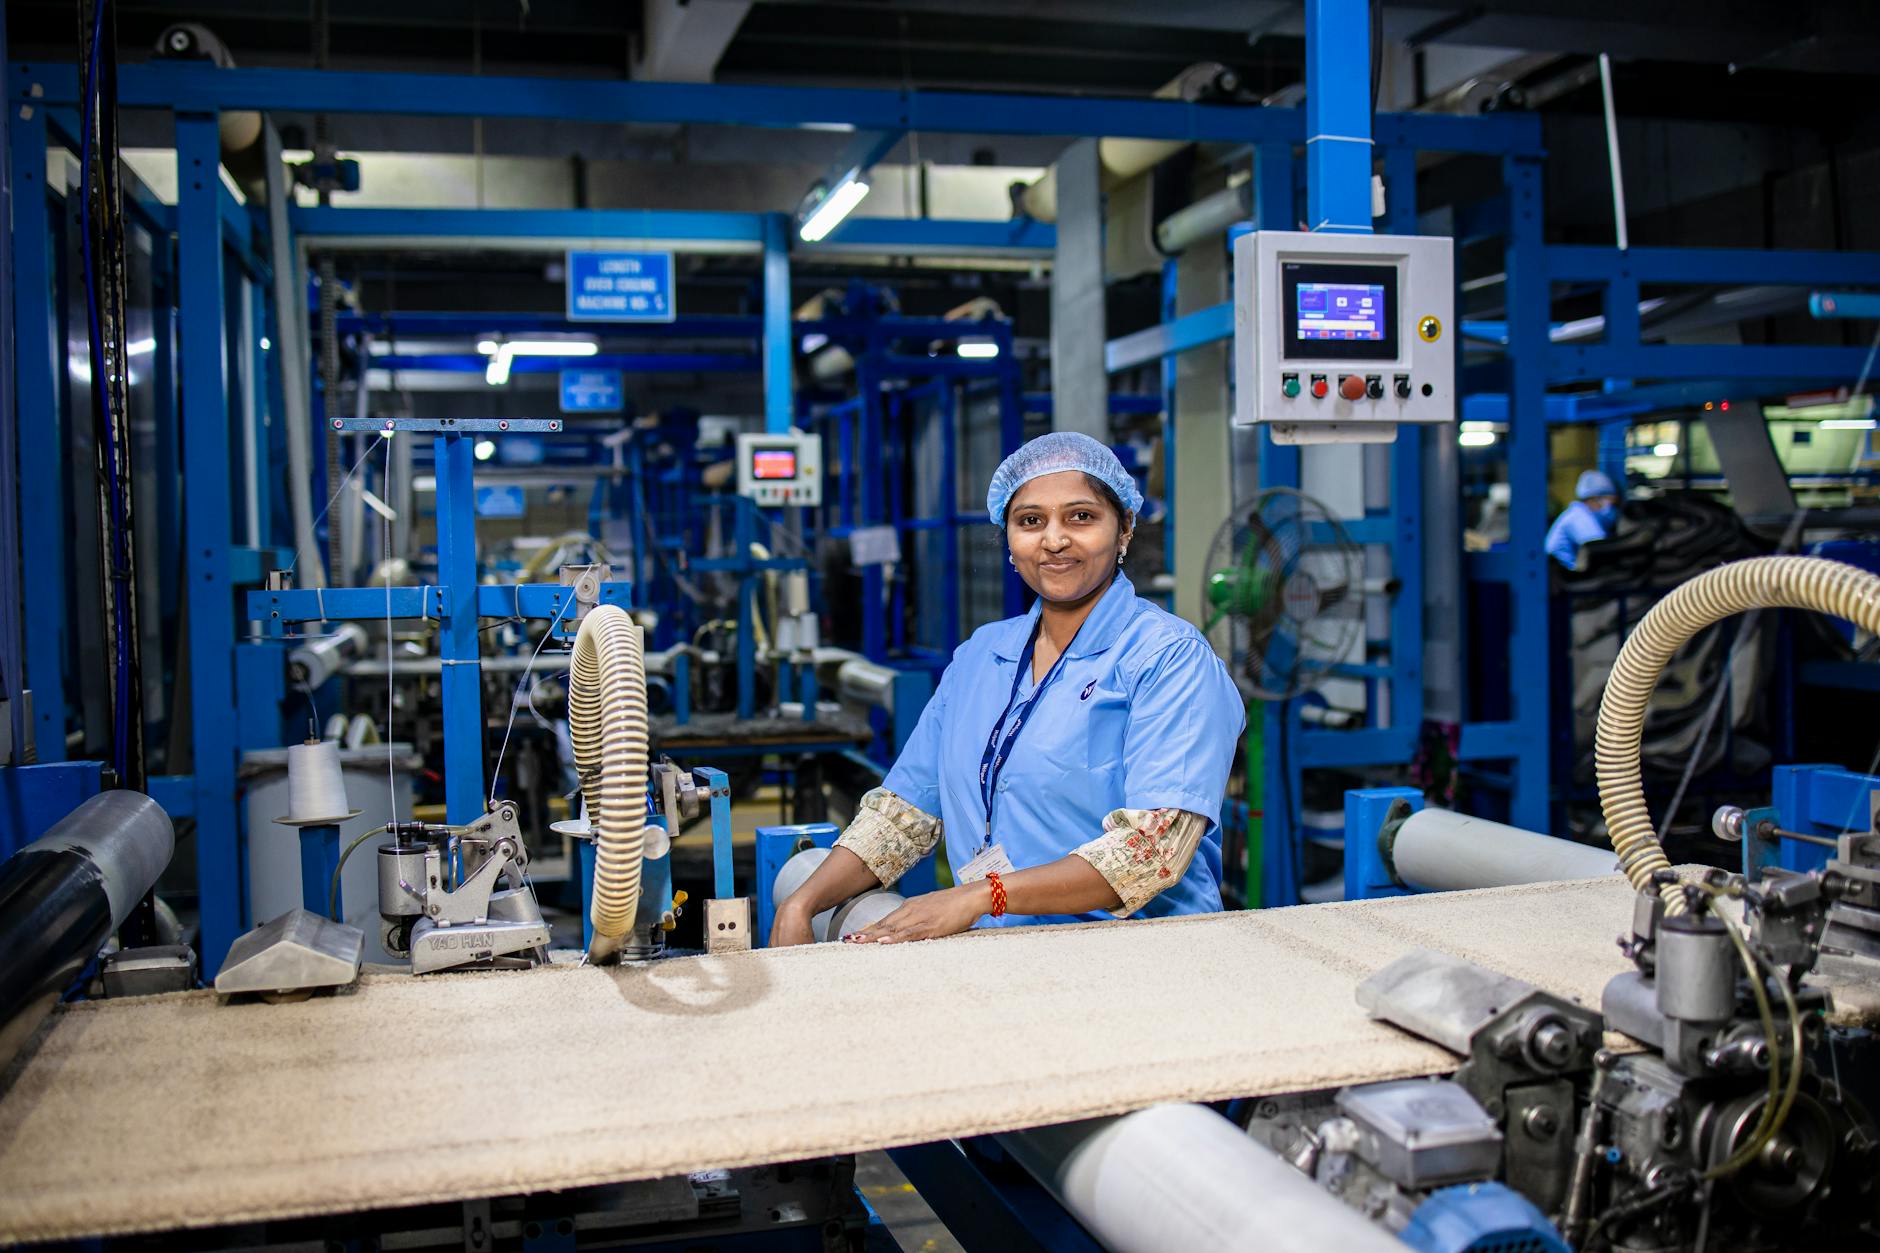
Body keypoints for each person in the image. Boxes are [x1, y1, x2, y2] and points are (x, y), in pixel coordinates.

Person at [771, 432, 1246, 947]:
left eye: (1081, 517)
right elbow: (902, 813)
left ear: (1125, 528)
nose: (1055, 540)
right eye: (1031, 521)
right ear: (1010, 538)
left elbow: (1150, 853)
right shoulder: (982, 656)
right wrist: (802, 902)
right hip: (1000, 954)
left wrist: (980, 895)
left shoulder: (1168, 659)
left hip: (1142, 957)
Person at [1545, 469, 1621, 569]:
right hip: (1561, 579)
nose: (1612, 507)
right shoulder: (1578, 517)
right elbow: (1599, 549)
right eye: (1610, 501)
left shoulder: (1578, 514)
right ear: (1594, 498)